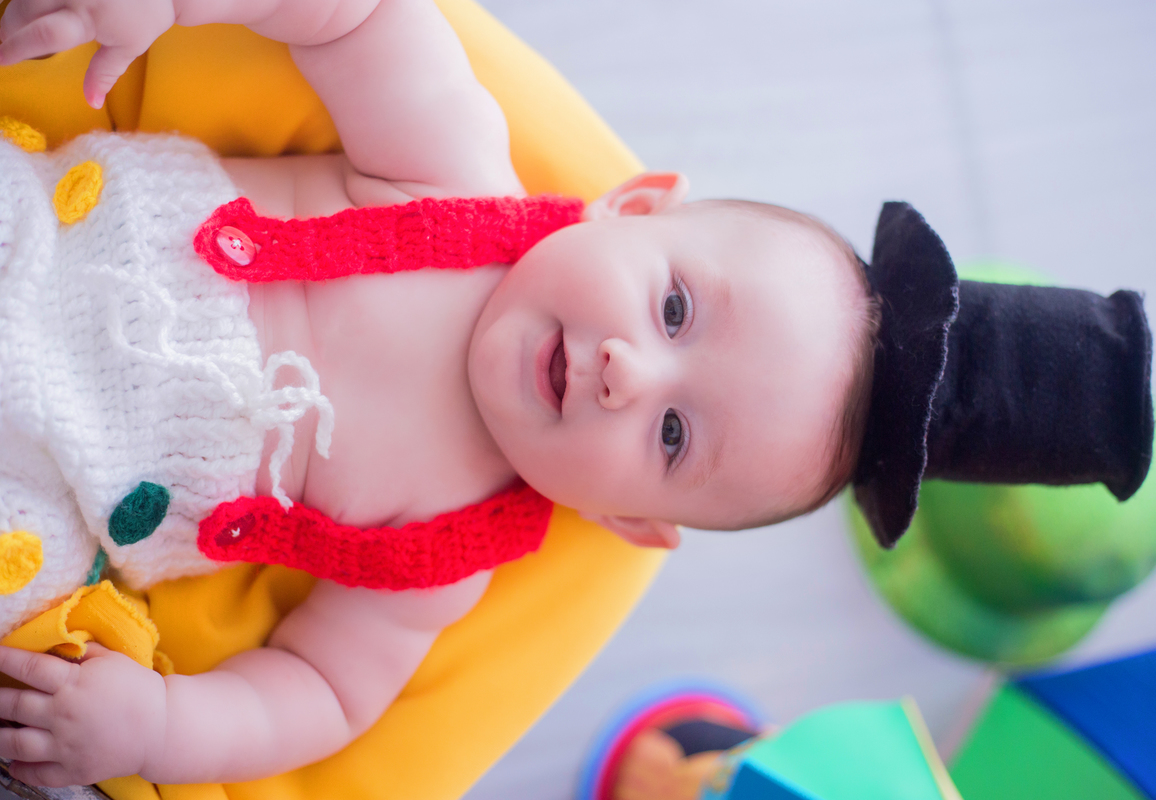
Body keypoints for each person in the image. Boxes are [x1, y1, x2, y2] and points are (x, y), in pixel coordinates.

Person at [0, 0, 881, 787]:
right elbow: (355, 17)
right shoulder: (454, 175)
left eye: (675, 436)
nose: (629, 373)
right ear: (634, 210)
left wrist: (154, 727)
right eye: (675, 308)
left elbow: (318, 695)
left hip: (47, 499)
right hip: (36, 235)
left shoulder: (443, 558)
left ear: (627, 519)